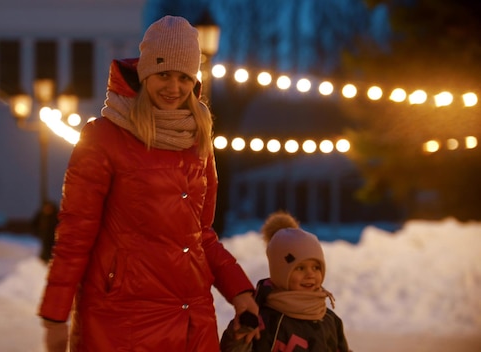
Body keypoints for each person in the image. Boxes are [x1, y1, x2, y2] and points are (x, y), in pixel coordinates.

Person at [38, 15, 259, 352]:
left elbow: (201, 234)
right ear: (144, 73)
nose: (174, 88)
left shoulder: (197, 137)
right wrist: (56, 316)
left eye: (184, 77)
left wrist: (240, 292)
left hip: (191, 318)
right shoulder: (105, 136)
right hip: (122, 319)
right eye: (164, 74)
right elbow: (76, 233)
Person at [220, 211, 351, 352]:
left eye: (316, 267)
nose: (310, 274)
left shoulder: (329, 319)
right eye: (300, 268)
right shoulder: (264, 319)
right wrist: (239, 336)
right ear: (281, 272)